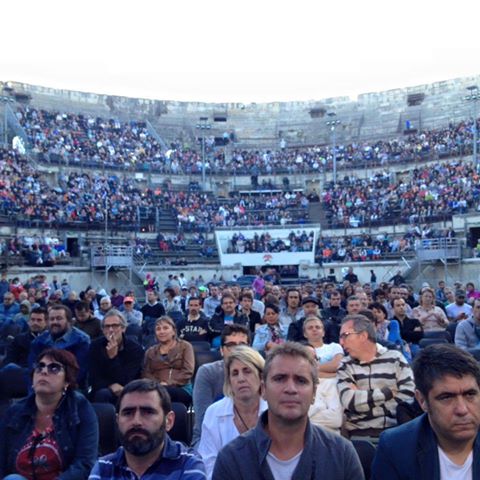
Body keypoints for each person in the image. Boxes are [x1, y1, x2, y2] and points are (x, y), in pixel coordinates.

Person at [212, 342, 364, 479]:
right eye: (279, 378)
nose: (290, 389)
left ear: (314, 394)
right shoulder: (231, 459)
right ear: (263, 389)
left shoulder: (342, 454)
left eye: (301, 380)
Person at [371, 344, 480, 479]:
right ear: (422, 401)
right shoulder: (395, 447)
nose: (462, 409)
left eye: (470, 394)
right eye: (446, 397)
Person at [0, 348, 98, 479]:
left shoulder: (81, 409)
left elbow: (85, 464)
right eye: (40, 367)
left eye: (54, 368)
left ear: (67, 381)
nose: (44, 371)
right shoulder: (15, 412)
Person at [88, 379, 206, 480]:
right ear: (118, 421)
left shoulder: (189, 464)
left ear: (169, 421)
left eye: (148, 412)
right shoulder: (103, 468)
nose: (136, 421)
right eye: (128, 413)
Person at [338, 314, 416, 439]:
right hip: (360, 436)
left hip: (396, 434)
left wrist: (364, 402)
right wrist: (388, 392)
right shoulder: (345, 365)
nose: (341, 342)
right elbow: (349, 401)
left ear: (363, 336)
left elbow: (409, 396)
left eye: (345, 335)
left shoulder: (395, 358)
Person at [198, 346, 267, 479]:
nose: (241, 379)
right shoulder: (214, 412)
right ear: (229, 380)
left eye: (247, 371)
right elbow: (208, 464)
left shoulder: (274, 410)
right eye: (235, 373)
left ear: (261, 376)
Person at [191, 324, 250, 446]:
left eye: (242, 345)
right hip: (208, 439)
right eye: (231, 345)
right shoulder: (207, 373)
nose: (238, 351)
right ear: (222, 350)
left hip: (250, 439)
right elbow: (204, 422)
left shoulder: (260, 374)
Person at [88, 309, 144, 404]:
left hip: (128, 388)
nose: (110, 330)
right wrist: (110, 385)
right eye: (107, 326)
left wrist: (113, 358)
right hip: (103, 389)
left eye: (115, 326)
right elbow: (93, 377)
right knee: (103, 394)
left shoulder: (135, 348)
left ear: (123, 328)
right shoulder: (95, 346)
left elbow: (128, 378)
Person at [29, 304, 91, 386]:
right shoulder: (39, 340)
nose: (54, 322)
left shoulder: (82, 340)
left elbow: (80, 371)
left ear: (70, 321)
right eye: (52, 319)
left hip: (70, 385)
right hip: (42, 382)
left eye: (59, 319)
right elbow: (33, 366)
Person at [143, 316, 194, 405]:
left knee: (161, 394)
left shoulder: (185, 346)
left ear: (174, 331)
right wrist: (158, 384)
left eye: (165, 328)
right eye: (158, 329)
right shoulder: (150, 351)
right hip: (156, 387)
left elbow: (188, 371)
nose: (161, 331)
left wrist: (168, 383)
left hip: (181, 388)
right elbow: (146, 373)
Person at [304, 344, 343, 433]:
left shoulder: (330, 383)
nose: (313, 362)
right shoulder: (290, 386)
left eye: (315, 358)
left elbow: (336, 419)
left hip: (329, 440)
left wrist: (306, 414)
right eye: (307, 358)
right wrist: (320, 407)